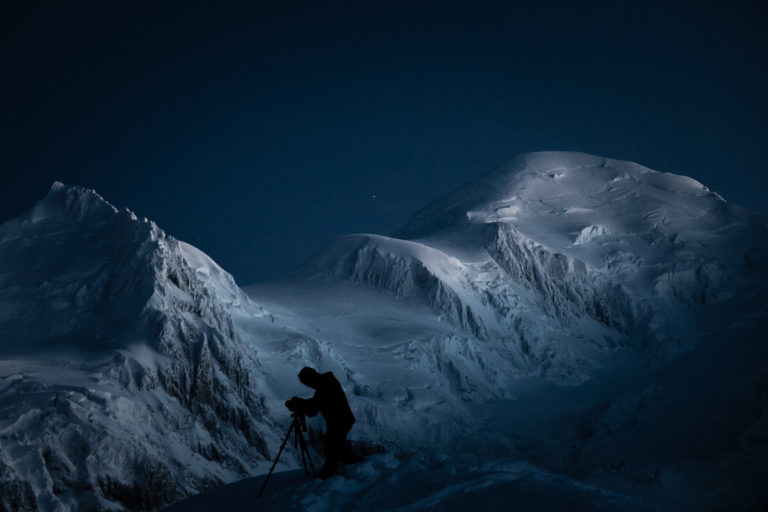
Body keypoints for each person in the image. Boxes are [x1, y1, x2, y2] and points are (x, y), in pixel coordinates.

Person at [285, 367, 360, 479]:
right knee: (336, 447)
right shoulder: (326, 382)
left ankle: (328, 475)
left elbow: (313, 409)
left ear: (310, 379)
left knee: (332, 448)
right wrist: (301, 404)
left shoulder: (325, 386)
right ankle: (356, 465)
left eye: (307, 383)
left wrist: (299, 404)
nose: (309, 386)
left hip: (339, 421)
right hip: (341, 420)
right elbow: (315, 406)